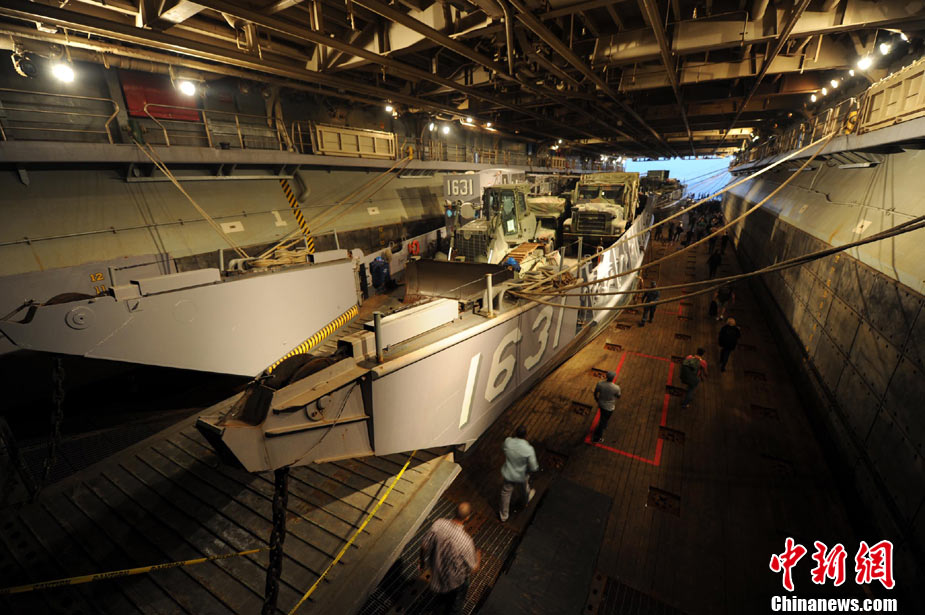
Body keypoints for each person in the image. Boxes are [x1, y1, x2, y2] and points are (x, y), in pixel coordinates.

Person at [420, 502, 481, 615]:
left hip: (437, 576)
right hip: (455, 584)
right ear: (467, 518)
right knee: (455, 607)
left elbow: (424, 546)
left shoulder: (438, 524)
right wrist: (478, 556)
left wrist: (422, 562)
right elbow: (474, 568)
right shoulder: (466, 542)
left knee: (440, 602)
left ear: (454, 512)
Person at [499, 426, 538, 522]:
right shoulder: (528, 449)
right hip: (521, 475)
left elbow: (503, 448)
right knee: (524, 489)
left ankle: (504, 516)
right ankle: (525, 501)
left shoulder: (508, 442)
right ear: (525, 435)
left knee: (506, 493)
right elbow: (534, 467)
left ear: (515, 433)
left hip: (509, 473)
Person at [592, 370, 622, 443]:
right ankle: (598, 438)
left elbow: (595, 393)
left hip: (601, 404)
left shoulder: (600, 384)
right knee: (603, 421)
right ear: (613, 378)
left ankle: (603, 425)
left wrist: (597, 399)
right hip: (610, 407)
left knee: (603, 417)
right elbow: (618, 396)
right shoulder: (616, 387)